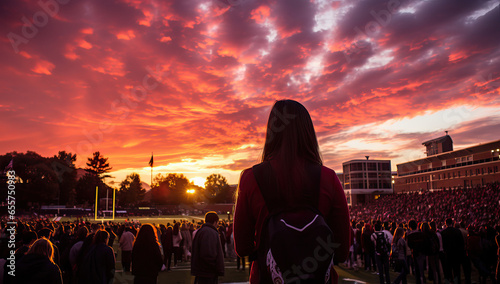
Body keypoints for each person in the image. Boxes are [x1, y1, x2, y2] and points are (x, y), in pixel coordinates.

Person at [233, 100, 350, 284]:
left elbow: (242, 247)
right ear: (308, 132)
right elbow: (342, 251)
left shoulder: (250, 178)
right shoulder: (329, 178)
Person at [191, 211, 225, 284]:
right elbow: (208, 254)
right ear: (215, 221)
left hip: (204, 271)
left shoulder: (203, 231)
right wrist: (216, 268)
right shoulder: (209, 232)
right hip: (208, 273)